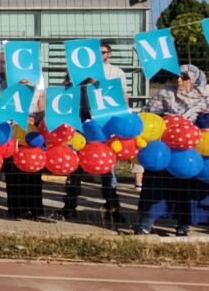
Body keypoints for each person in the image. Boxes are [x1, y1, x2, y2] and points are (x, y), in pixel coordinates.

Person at [135, 65, 209, 236]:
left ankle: (184, 227)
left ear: (196, 80)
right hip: (163, 152)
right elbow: (146, 117)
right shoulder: (163, 95)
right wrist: (166, 120)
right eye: (177, 76)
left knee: (187, 191)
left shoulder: (205, 99)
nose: (179, 80)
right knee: (156, 187)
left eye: (184, 77)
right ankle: (145, 224)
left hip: (190, 154)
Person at [62, 42, 127, 224]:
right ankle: (69, 206)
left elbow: (121, 98)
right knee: (74, 168)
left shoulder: (113, 74)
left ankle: (113, 207)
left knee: (107, 169)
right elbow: (64, 96)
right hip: (80, 126)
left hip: (102, 126)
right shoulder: (75, 75)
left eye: (103, 53)